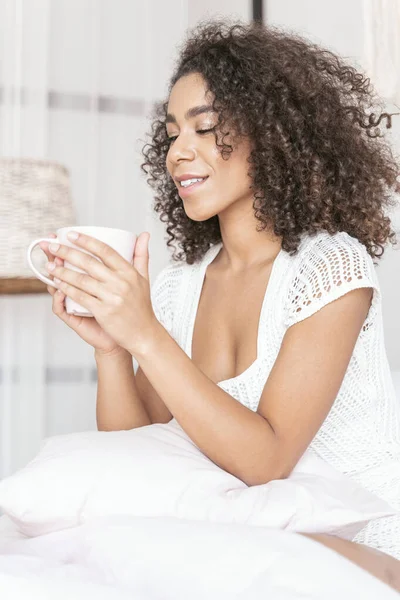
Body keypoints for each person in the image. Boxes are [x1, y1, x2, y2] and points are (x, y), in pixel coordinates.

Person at [40, 18, 400, 591]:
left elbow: (267, 460)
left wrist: (147, 336)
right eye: (171, 134)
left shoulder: (329, 269)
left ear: (275, 135)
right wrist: (114, 348)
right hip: (243, 535)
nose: (178, 153)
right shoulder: (183, 285)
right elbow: (137, 454)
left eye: (205, 128)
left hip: (355, 547)